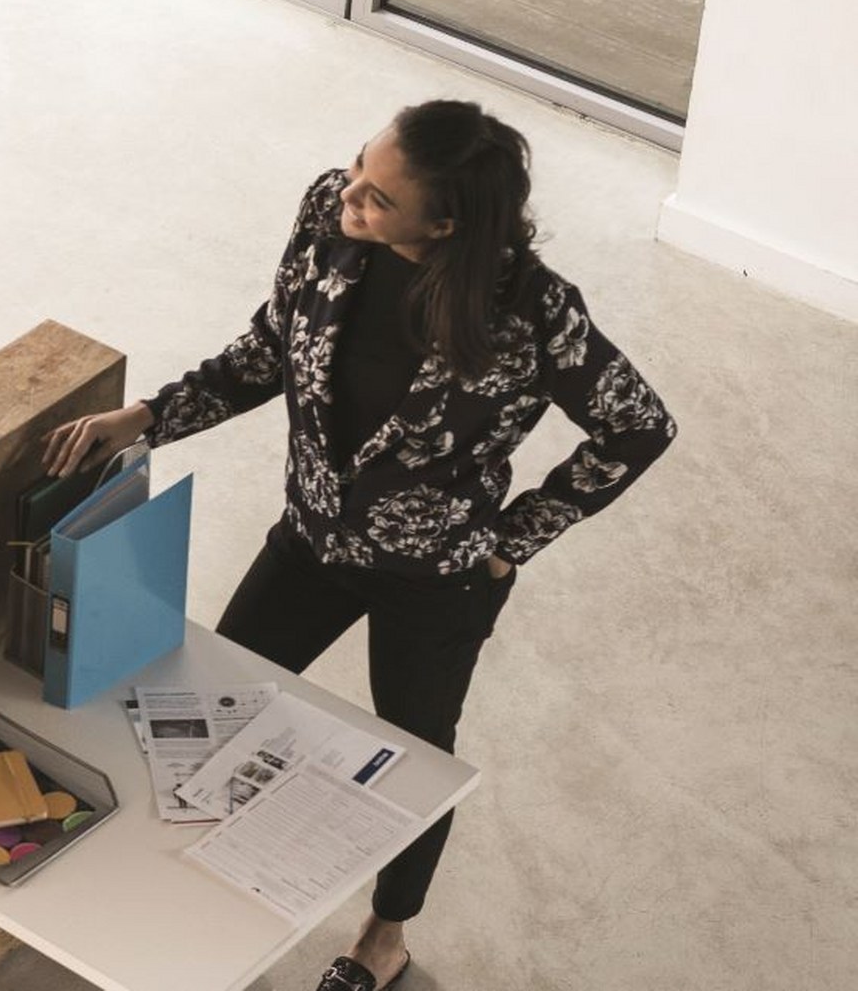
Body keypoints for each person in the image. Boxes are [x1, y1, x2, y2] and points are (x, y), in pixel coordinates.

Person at [42, 100, 674, 991]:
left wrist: (512, 540)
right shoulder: (327, 217)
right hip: (310, 538)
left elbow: (638, 428)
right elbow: (269, 348)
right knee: (208, 709)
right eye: (356, 169)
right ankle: (195, 893)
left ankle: (385, 937)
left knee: (416, 758)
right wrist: (148, 416)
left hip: (439, 576)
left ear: (444, 224)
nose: (350, 197)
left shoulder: (535, 315)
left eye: (379, 197)